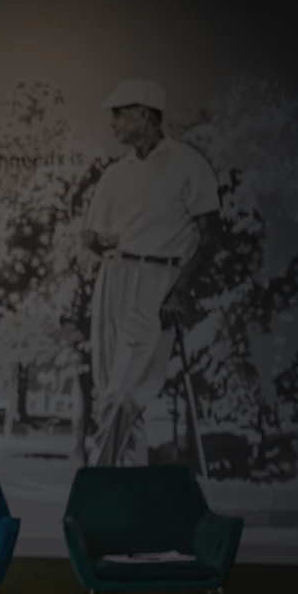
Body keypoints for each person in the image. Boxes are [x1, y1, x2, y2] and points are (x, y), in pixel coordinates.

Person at [81, 79, 221, 468]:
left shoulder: (188, 164)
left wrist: (179, 292)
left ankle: (97, 478)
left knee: (126, 395)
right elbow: (90, 235)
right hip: (113, 280)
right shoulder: (115, 174)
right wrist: (97, 242)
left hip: (159, 281)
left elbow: (211, 237)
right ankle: (127, 494)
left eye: (120, 116)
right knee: (110, 389)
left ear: (144, 114)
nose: (113, 126)